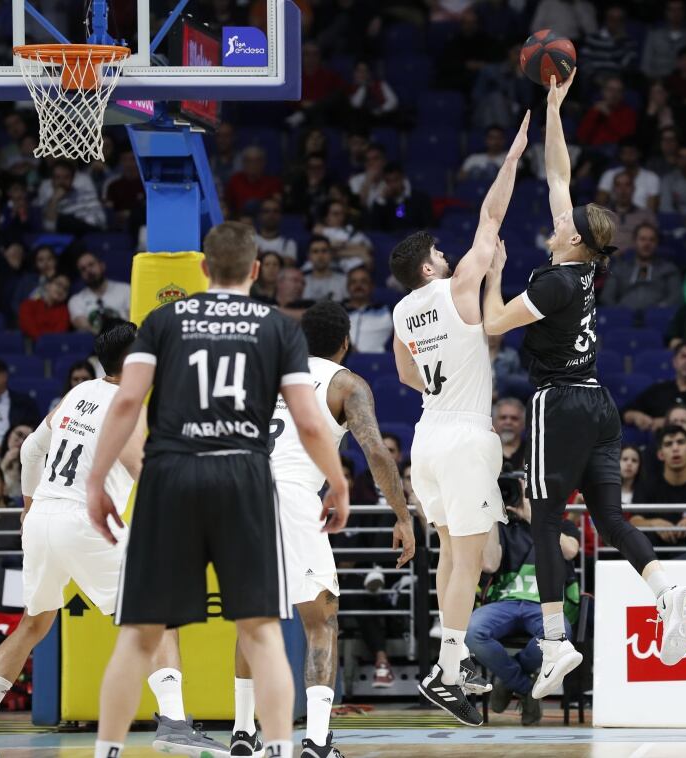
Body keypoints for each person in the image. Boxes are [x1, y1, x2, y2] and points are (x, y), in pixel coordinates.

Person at [84, 222, 352, 758]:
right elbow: (311, 422)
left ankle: (106, 752)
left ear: (204, 269)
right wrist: (339, 483)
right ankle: (277, 746)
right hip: (241, 478)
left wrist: (97, 479)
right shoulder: (277, 328)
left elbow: (125, 403)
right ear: (255, 271)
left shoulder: (162, 321)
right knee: (260, 630)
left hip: (172, 476)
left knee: (140, 633)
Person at [482, 71, 686, 700]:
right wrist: (555, 108)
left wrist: (494, 271)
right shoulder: (581, 269)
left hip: (560, 401)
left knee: (545, 519)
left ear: (575, 237)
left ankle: (554, 644)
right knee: (606, 513)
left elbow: (495, 322)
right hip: (601, 404)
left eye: (565, 222)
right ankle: (666, 588)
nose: (557, 220)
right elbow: (558, 176)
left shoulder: (552, 283)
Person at [0, 324, 229, 757]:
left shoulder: (78, 394)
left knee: (33, 625)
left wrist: (28, 505)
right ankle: (174, 723)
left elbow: (28, 452)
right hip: (85, 521)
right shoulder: (128, 407)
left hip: (43, 519)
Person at [389, 111, 530, 726]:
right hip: (468, 434)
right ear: (427, 268)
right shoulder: (455, 286)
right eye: (438, 253)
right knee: (472, 562)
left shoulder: (400, 312)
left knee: (451, 553)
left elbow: (404, 376)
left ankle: (448, 664)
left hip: (427, 436)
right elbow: (491, 218)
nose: (447, 255)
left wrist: (452, 363)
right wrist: (515, 155)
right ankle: (448, 669)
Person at [232, 301, 415, 757]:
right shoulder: (345, 383)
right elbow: (375, 452)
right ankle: (316, 741)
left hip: (241, 493)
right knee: (321, 619)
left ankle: (242, 733)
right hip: (292, 497)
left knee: (255, 620)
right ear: (345, 343)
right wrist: (403, 514)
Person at [469, 484, 581, 727]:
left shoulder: (559, 523)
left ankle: (508, 680)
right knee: (471, 631)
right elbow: (489, 564)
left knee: (560, 634)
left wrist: (534, 516)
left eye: (528, 494)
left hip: (545, 604)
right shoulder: (502, 526)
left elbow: (571, 550)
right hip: (505, 601)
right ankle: (526, 688)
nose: (523, 498)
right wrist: (493, 515)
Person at [632, 425, 686, 549]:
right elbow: (634, 521)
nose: (675, 448)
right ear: (660, 455)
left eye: (680, 442)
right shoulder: (647, 485)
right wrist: (652, 523)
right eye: (668, 444)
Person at [599, 223, 681, 310]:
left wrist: (660, 311)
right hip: (624, 318)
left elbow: (675, 297)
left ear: (657, 243)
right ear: (634, 242)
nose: (647, 244)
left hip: (657, 318)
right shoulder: (619, 269)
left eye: (652, 240)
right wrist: (620, 313)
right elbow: (607, 297)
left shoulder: (668, 269)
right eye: (642, 239)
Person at [0, 359, 39, 462]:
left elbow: (34, 431)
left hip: (14, 455)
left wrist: (5, 448)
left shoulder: (24, 403)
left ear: (3, 377)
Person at [68, 252, 133, 335]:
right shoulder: (76, 300)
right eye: (83, 269)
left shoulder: (125, 289)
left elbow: (133, 319)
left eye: (91, 265)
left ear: (102, 266)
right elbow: (83, 327)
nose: (88, 270)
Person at [343, 267, 393, 354]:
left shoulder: (388, 311)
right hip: (342, 364)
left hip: (377, 364)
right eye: (353, 282)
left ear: (371, 286)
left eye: (363, 282)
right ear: (347, 287)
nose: (358, 285)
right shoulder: (338, 314)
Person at [18, 274, 71, 340]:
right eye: (58, 284)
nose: (61, 289)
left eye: (65, 289)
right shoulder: (27, 305)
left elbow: (59, 334)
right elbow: (28, 328)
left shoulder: (64, 312)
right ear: (47, 286)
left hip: (53, 348)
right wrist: (42, 341)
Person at [302, 235, 348, 303]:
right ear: (309, 256)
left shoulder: (344, 281)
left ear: (331, 254)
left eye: (324, 251)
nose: (320, 256)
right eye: (315, 251)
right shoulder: (300, 282)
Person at [0, 424, 31, 499]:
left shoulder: (33, 468)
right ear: (9, 435)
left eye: (26, 438)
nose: (21, 441)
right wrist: (5, 462)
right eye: (19, 434)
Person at [493, 397, 526, 473]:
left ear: (523, 423)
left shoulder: (532, 452)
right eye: (503, 418)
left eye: (514, 418)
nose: (508, 422)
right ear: (494, 422)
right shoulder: (485, 451)